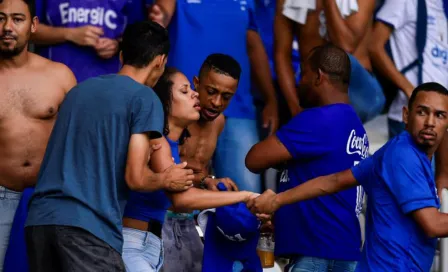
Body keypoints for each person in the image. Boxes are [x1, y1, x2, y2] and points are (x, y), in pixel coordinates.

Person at [24, 21, 195, 272]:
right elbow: (135, 178)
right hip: (87, 229)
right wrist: (165, 179)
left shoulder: (78, 91)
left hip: (39, 223)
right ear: (160, 61)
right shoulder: (144, 97)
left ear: (122, 55)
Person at [249, 82, 448, 271]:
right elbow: (432, 225)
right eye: (422, 112)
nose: (430, 122)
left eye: (439, 115)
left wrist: (277, 200)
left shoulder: (394, 151)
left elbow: (333, 181)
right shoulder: (404, 155)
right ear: (406, 115)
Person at [245, 44, 367, 272]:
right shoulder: (356, 124)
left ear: (319, 76)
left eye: (303, 74)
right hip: (346, 250)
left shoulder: (317, 119)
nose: (299, 82)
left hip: (314, 253)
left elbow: (254, 159)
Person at [122, 67, 257, 272]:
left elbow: (179, 182)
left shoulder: (171, 146)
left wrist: (206, 180)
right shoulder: (156, 142)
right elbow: (181, 198)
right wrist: (244, 196)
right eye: (184, 91)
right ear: (166, 102)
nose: (195, 93)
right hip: (134, 241)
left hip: (153, 242)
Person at [149, 0, 279, 193]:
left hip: (239, 106)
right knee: (173, 179)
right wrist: (160, 19)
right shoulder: (183, 101)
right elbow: (162, 14)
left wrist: (271, 99)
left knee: (245, 195)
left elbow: (253, 43)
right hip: (183, 102)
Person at [0, 0, 76, 270]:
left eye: (17, 19)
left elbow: (79, 140)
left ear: (33, 25)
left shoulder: (59, 75)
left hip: (50, 198)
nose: (7, 27)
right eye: (0, 18)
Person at [161, 54, 242, 272]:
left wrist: (210, 180)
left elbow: (201, 171)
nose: (217, 103)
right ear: (196, 83)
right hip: (160, 219)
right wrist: (205, 179)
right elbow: (168, 171)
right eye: (211, 92)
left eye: (226, 97)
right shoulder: (176, 117)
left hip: (191, 220)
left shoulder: (219, 122)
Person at [275, 0, 384, 123]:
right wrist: (295, 108)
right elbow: (281, 55)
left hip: (358, 90)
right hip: (314, 89)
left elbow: (345, 46)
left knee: (335, 63)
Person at [31, 0, 148, 82]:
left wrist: (118, 45)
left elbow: (141, 36)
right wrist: (69, 34)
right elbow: (26, 32)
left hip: (107, 86)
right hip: (54, 84)